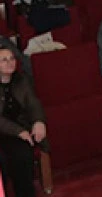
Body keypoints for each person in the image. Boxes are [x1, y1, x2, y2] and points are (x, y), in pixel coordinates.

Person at [0, 45, 47, 197]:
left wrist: (38, 121)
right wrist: (18, 131)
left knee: (23, 153)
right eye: (4, 60)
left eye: (12, 58)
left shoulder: (22, 80)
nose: (10, 62)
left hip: (21, 129)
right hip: (5, 130)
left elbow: (33, 103)